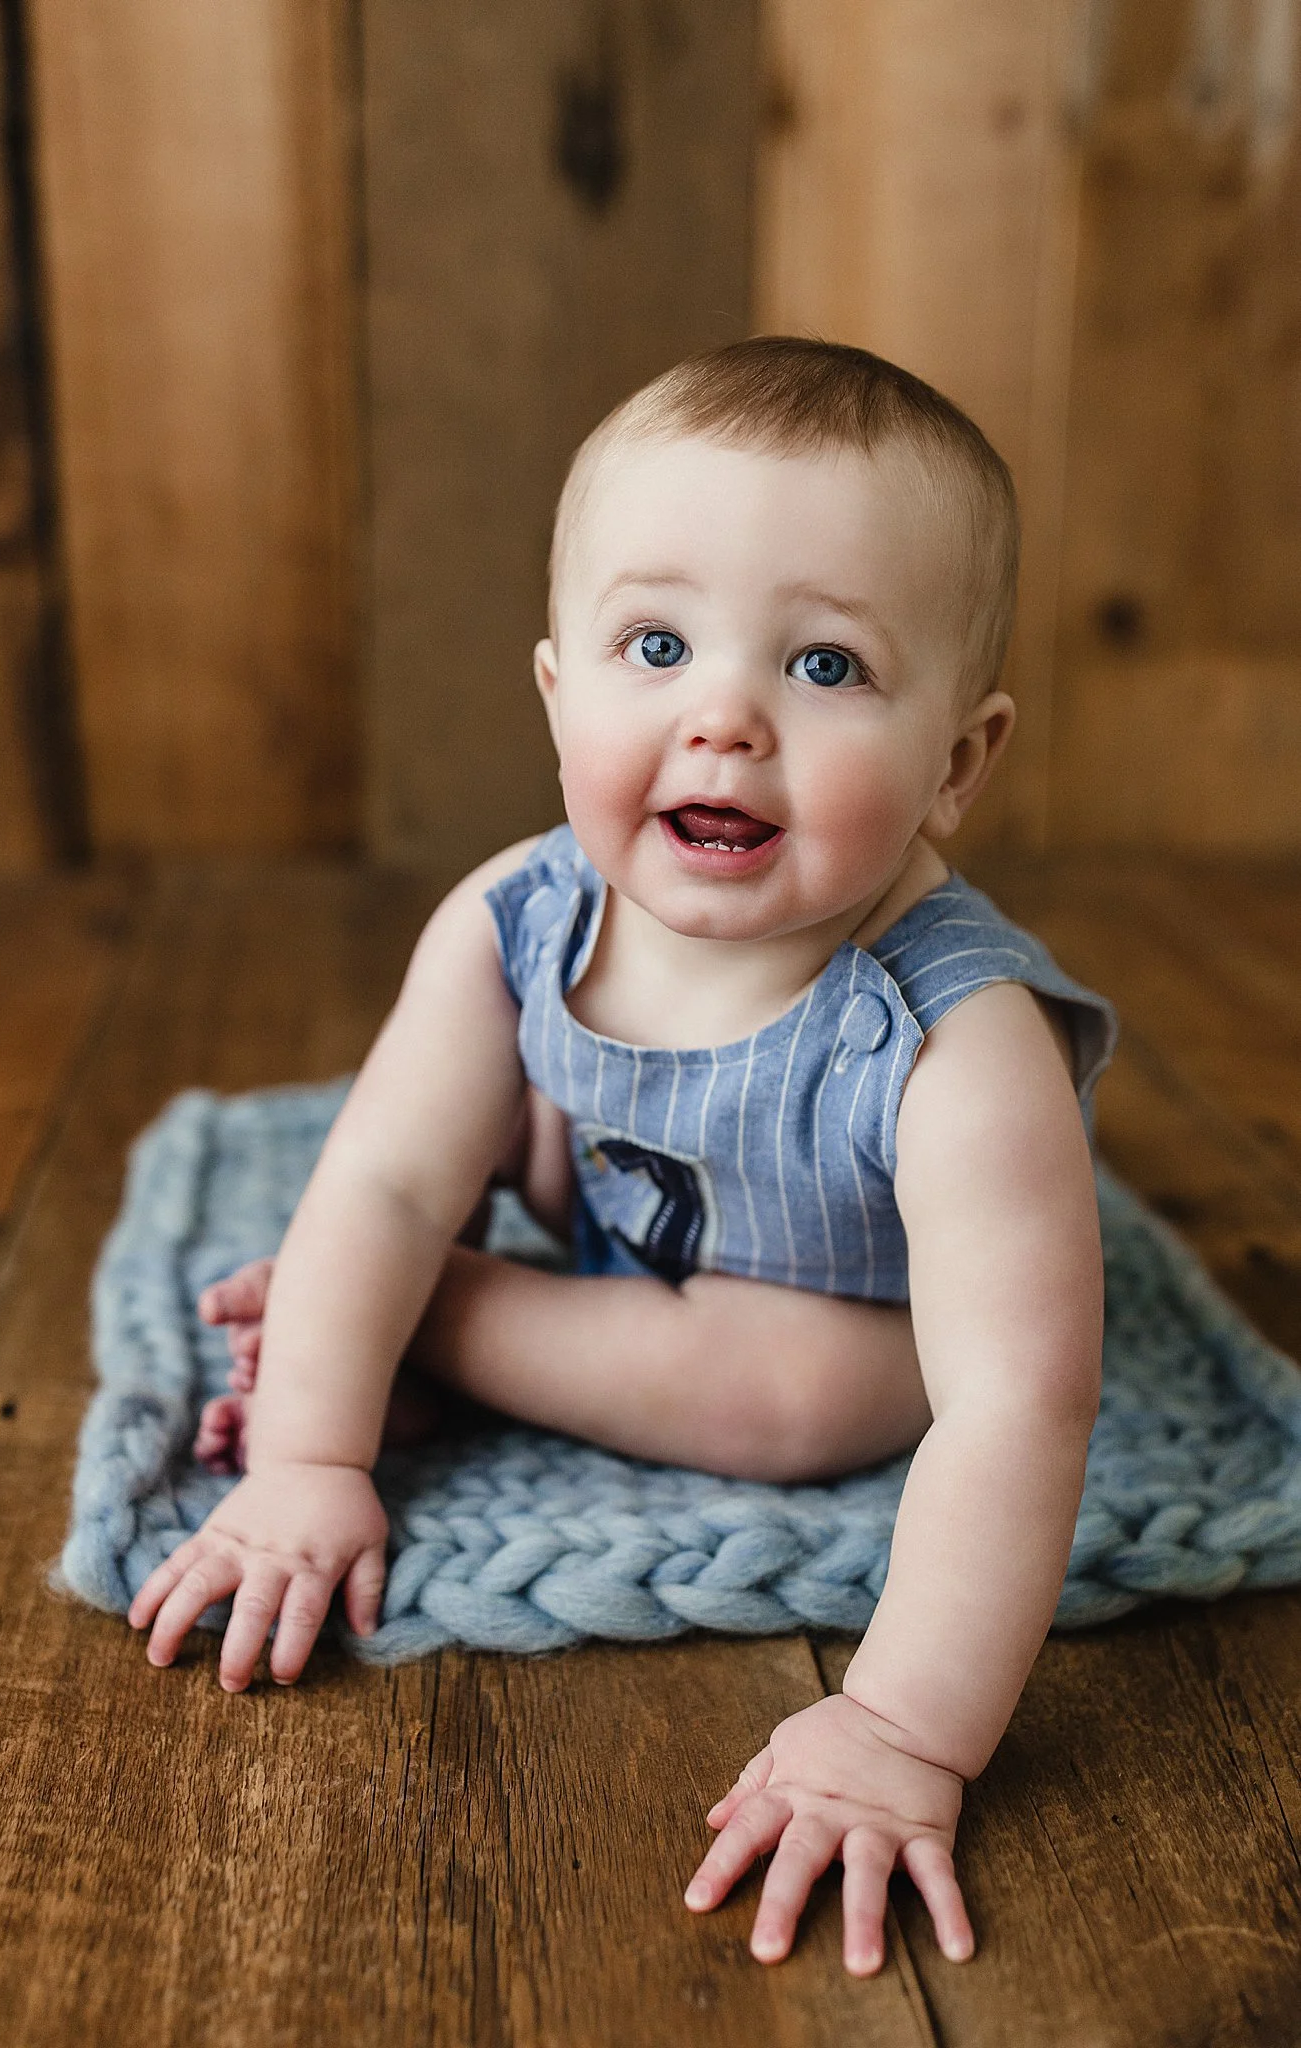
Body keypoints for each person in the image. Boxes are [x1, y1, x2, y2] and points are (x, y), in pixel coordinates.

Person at [128, 337, 1115, 1979]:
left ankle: (445, 1323)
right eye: (656, 645)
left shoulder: (955, 1042)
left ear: (957, 765)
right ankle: (421, 1323)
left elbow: (1024, 1403)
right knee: (446, 1146)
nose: (723, 715)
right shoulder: (522, 917)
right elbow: (378, 1177)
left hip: (833, 1313)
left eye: (825, 668)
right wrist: (308, 1463)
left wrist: (898, 1726)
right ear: (559, 695)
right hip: (603, 1215)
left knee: (794, 1404)